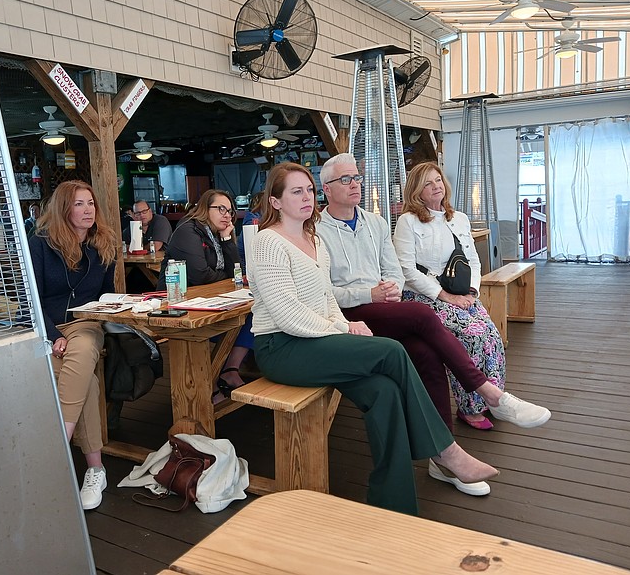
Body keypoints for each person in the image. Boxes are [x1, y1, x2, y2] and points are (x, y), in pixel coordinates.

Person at [249, 161, 499, 515]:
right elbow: (287, 314)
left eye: (308, 190)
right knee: (392, 352)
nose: (306, 198)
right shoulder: (268, 242)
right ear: (275, 202)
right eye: (295, 191)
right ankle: (446, 451)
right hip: (282, 347)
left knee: (384, 392)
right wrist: (343, 328)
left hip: (316, 341)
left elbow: (325, 300)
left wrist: (343, 323)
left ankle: (393, 505)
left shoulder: (313, 239)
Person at [317, 154, 551, 441]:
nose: (355, 184)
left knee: (430, 353)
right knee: (424, 315)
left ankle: (443, 448)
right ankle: (489, 393)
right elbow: (323, 290)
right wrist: (371, 292)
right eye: (345, 179)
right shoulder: (315, 230)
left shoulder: (375, 223)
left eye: (357, 177)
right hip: (349, 311)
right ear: (326, 188)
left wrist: (392, 289)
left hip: (386, 306)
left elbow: (396, 271)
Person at [393, 161, 551, 430]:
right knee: (472, 336)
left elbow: (473, 261)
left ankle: (495, 402)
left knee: (491, 336)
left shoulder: (459, 218)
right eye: (428, 183)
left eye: (438, 180)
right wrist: (445, 295)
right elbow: (406, 270)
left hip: (462, 294)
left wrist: (472, 291)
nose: (435, 187)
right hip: (425, 297)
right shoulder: (408, 222)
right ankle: (470, 407)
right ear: (416, 191)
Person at [28, 180, 119, 510]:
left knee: (81, 351)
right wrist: (53, 336)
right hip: (50, 326)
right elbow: (32, 299)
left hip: (86, 324)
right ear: (64, 209)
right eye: (79, 204)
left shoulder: (103, 244)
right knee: (87, 382)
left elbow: (107, 295)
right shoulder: (41, 245)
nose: (88, 209)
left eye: (91, 203)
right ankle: (96, 468)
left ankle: (57, 448)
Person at [158, 189, 250, 400]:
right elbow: (200, 275)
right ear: (204, 209)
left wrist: (227, 240)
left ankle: (228, 371)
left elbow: (235, 271)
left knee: (252, 315)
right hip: (176, 303)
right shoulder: (187, 230)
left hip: (207, 299)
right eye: (220, 209)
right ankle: (206, 385)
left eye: (230, 210)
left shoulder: (218, 234)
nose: (227, 215)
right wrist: (224, 274)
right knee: (237, 322)